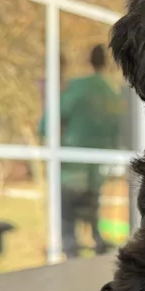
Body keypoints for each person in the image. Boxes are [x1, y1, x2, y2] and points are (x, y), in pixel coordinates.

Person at [59, 45, 123, 257]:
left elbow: (47, 124)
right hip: (95, 175)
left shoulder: (76, 88)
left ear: (89, 60)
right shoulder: (112, 96)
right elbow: (117, 135)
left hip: (71, 172)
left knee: (68, 228)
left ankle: (69, 272)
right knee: (93, 225)